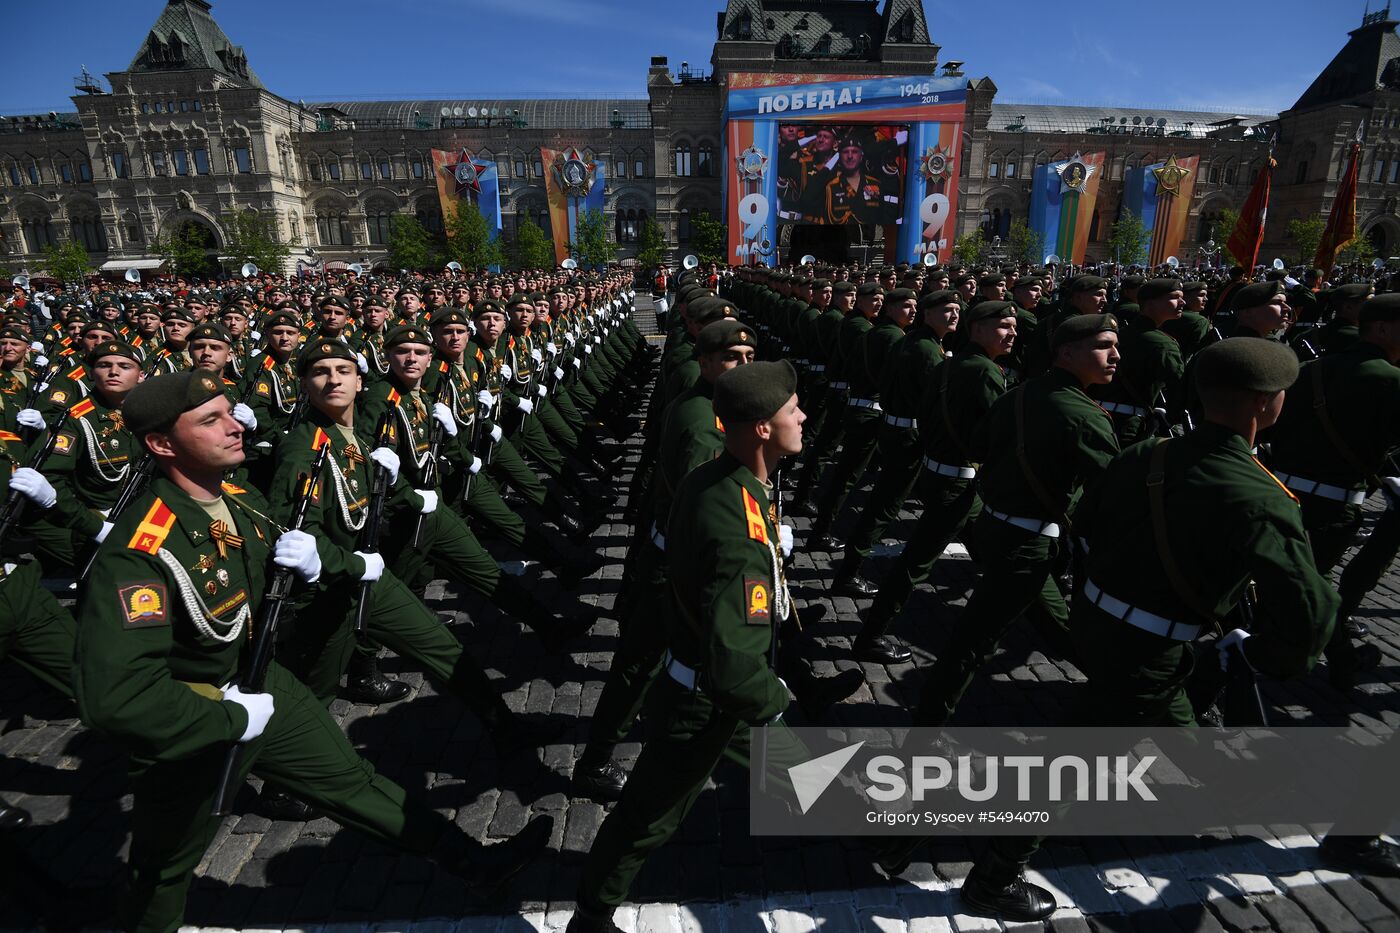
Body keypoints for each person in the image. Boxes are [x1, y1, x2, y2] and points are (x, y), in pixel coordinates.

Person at [75, 371, 550, 933]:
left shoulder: (234, 494)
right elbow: (118, 696)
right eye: (211, 421)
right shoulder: (141, 552)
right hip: (193, 721)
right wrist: (228, 716)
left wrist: (335, 564)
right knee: (163, 870)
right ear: (161, 444)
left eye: (230, 412)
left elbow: (286, 548)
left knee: (351, 779)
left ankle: (474, 862)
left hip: (256, 681)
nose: (234, 427)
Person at [568, 361, 811, 933]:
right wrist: (772, 700)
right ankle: (592, 915)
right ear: (760, 429)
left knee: (812, 779)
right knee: (649, 814)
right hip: (706, 704)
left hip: (700, 688)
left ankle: (897, 839)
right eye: (791, 410)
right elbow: (732, 668)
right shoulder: (740, 535)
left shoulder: (716, 480)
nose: (802, 417)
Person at [853, 300, 1018, 661]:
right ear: (978, 330)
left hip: (947, 477)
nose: (1013, 333)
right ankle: (870, 635)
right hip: (956, 483)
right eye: (1004, 325)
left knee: (997, 559)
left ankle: (1008, 616)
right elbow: (996, 433)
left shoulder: (951, 361)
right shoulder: (982, 371)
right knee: (915, 563)